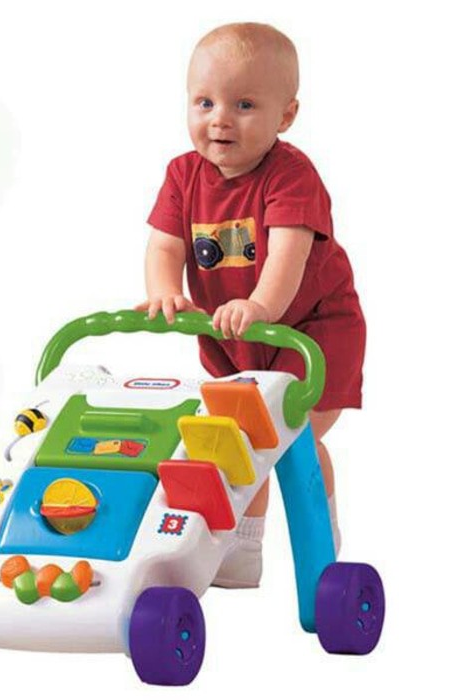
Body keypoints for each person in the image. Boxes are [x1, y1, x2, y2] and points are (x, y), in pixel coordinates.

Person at [135, 22, 366, 588]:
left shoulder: (291, 175)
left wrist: (261, 304)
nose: (220, 119)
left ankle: (321, 542)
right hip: (234, 334)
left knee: (285, 438)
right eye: (205, 102)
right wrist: (165, 289)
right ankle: (240, 548)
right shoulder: (182, 175)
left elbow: (287, 254)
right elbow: (165, 246)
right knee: (234, 439)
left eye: (243, 105)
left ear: (285, 116)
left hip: (310, 332)